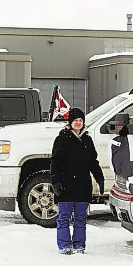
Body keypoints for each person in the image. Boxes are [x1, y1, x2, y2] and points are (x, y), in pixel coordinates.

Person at [50, 108, 104, 255]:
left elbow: (93, 161)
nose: (78, 123)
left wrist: (100, 178)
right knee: (64, 218)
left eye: (80, 120)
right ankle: (64, 245)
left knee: (81, 218)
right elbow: (55, 162)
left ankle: (79, 245)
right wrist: (55, 182)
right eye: (75, 120)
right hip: (65, 185)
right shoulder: (62, 138)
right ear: (70, 122)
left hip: (82, 185)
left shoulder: (87, 139)